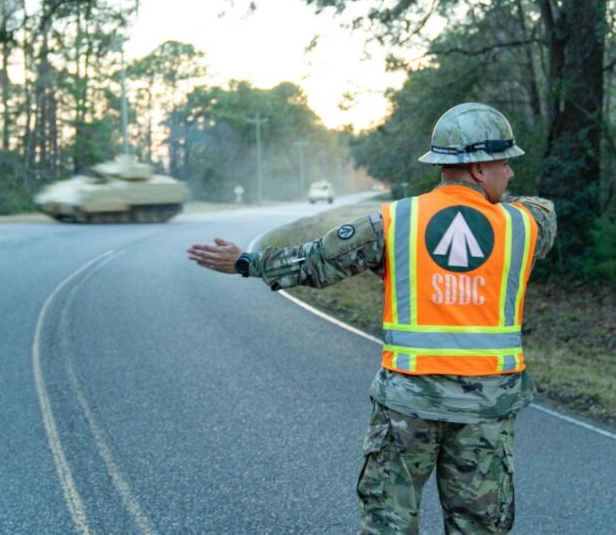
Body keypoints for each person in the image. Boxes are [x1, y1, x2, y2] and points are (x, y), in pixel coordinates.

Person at [187, 102, 557, 534]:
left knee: (389, 522)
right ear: (478, 168)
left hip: (406, 407)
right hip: (487, 411)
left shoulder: (395, 221)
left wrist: (247, 262)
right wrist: (487, 203)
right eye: (504, 162)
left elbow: (316, 261)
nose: (509, 173)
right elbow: (538, 207)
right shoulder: (525, 225)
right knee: (480, 527)